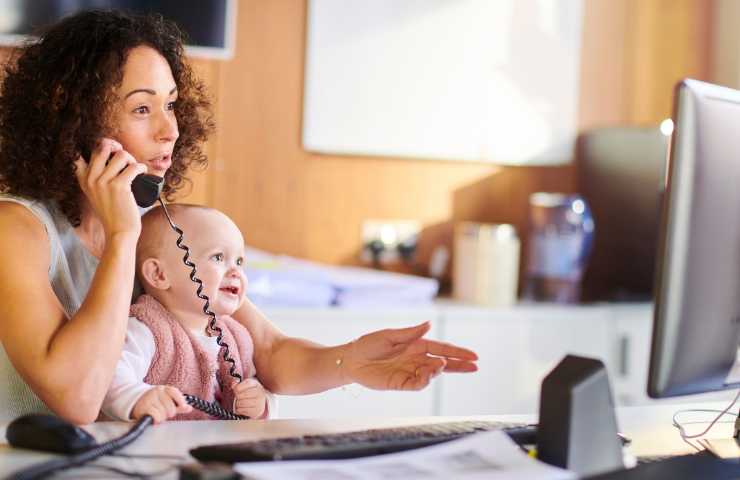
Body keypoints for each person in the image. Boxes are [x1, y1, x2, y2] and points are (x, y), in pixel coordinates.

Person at [0, 9, 478, 425]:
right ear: (74, 121)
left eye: (170, 104)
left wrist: (349, 363)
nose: (170, 130)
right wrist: (124, 236)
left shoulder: (158, 224)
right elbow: (79, 400)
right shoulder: (18, 230)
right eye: (142, 108)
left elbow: (266, 350)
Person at [103, 204, 277, 423]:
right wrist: (137, 398)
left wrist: (261, 403)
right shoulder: (146, 329)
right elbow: (108, 377)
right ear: (158, 274)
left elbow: (254, 386)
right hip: (160, 449)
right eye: (218, 258)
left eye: (239, 261)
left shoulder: (236, 337)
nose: (236, 272)